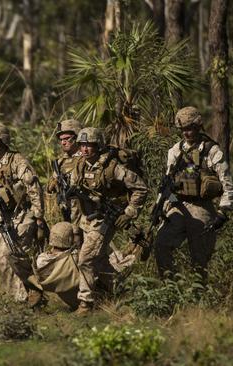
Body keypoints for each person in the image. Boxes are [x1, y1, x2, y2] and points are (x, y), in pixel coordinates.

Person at [68, 127, 148, 314]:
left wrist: (129, 212)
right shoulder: (79, 165)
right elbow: (74, 196)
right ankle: (124, 291)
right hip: (85, 219)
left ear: (98, 146)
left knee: (86, 259)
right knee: (100, 260)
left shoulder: (113, 167)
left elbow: (140, 188)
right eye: (82, 145)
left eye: (89, 145)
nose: (85, 149)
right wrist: (74, 225)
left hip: (104, 220)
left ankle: (85, 303)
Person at [154, 106, 233, 279]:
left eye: (190, 128)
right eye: (183, 129)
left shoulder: (211, 150)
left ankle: (198, 297)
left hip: (202, 207)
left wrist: (223, 212)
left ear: (198, 126)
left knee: (200, 259)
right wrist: (161, 206)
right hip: (178, 205)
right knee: (161, 244)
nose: (187, 133)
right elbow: (167, 182)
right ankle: (170, 288)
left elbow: (227, 183)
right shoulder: (175, 151)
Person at [0, 122, 46, 307]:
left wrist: (38, 217)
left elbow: (33, 187)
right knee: (1, 257)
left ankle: (31, 293)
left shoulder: (16, 161)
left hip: (22, 214)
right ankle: (18, 298)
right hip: (2, 218)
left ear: (3, 141)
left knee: (17, 255)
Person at [46, 119, 83, 246]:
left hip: (86, 212)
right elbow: (50, 187)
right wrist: (54, 183)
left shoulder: (86, 158)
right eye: (61, 139)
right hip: (67, 210)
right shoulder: (61, 162)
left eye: (67, 138)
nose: (63, 142)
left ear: (77, 137)